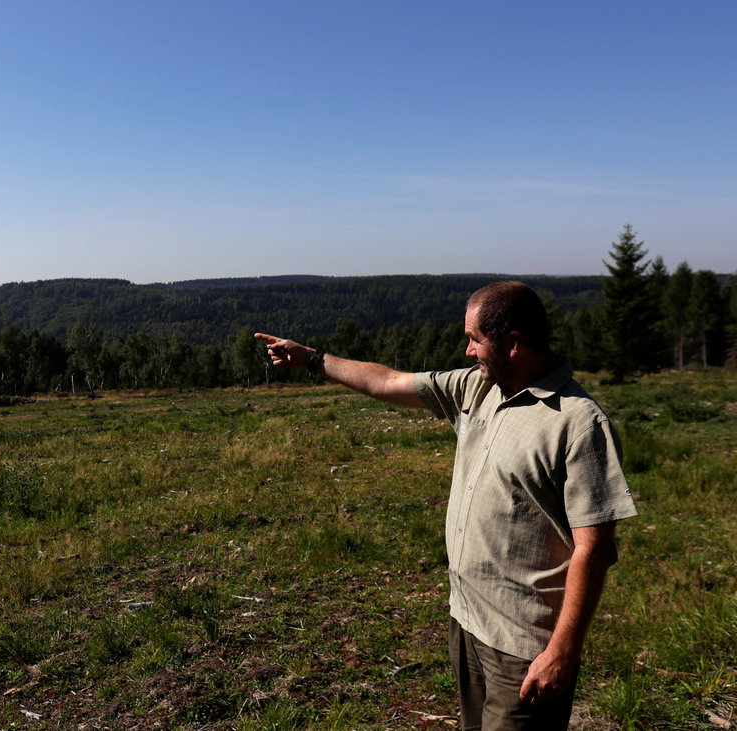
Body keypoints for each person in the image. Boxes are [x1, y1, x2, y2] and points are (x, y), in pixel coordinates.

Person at [255, 280, 637, 731]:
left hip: (525, 645)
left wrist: (562, 652)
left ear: (512, 343)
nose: (469, 351)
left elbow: (595, 548)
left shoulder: (578, 423)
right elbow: (387, 381)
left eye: (476, 340)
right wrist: (313, 359)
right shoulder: (477, 388)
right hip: (468, 621)